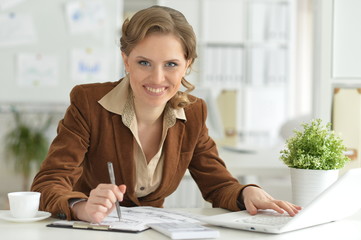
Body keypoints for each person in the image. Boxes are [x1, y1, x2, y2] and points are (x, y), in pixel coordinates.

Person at [31, 5, 301, 223]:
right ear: (126, 61)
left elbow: (218, 185)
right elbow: (46, 185)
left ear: (187, 65)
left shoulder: (194, 112)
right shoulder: (89, 103)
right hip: (89, 231)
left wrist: (247, 192)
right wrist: (80, 207)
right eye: (144, 62)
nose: (157, 78)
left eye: (171, 64)